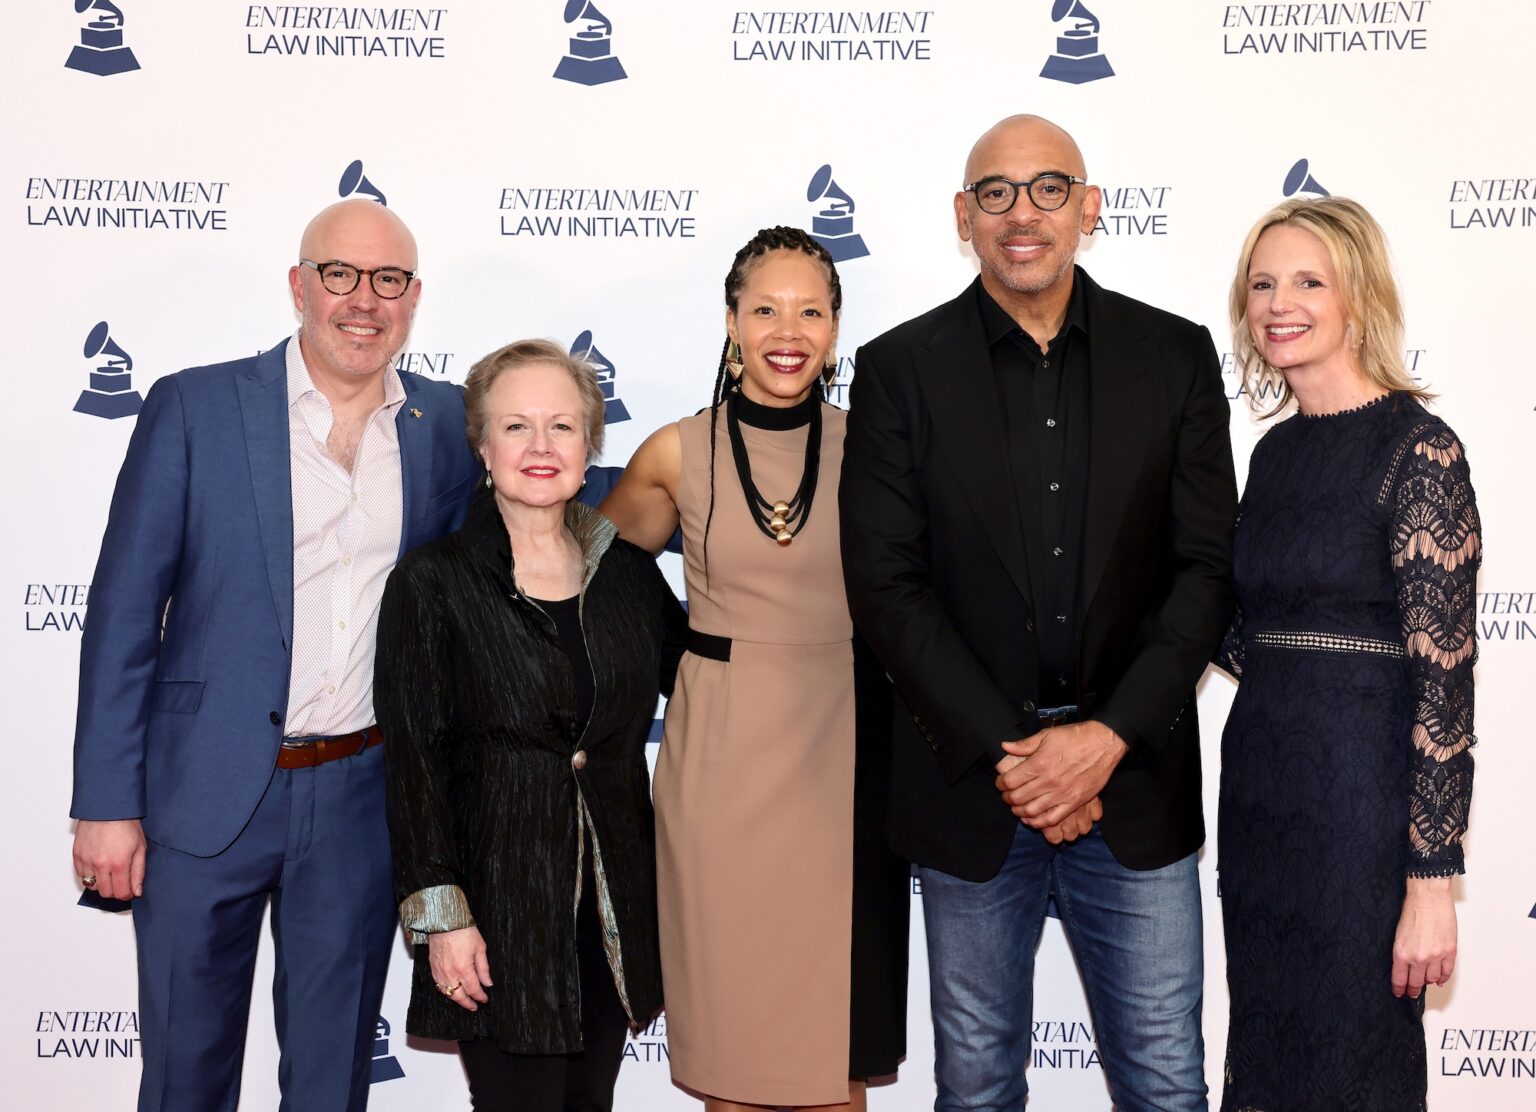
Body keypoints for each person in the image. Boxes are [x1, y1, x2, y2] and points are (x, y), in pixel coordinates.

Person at [840, 114, 1238, 1112]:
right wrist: (1021, 757)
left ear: (1090, 208)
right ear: (964, 217)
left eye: (1050, 187)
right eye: (998, 193)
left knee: (1166, 1081)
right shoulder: (900, 371)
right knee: (975, 1086)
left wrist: (1103, 741)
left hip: (1134, 786)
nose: (1024, 214)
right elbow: (886, 587)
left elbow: (1204, 572)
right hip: (973, 791)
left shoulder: (1176, 356)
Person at [69, 198, 483, 1110]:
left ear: (413, 300)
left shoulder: (449, 425)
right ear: (300, 286)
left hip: (358, 801)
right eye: (340, 274)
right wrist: (105, 802)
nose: (362, 300)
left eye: (387, 281)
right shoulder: (195, 406)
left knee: (332, 1080)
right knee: (186, 1072)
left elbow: (552, 477)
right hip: (199, 795)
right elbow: (125, 612)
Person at [601, 226, 908, 1111]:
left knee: (834, 1062)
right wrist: (693, 660)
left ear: (836, 330)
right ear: (732, 322)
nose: (789, 329)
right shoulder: (675, 450)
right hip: (721, 765)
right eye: (766, 308)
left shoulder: (879, 450)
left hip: (845, 759)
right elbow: (603, 577)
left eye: (811, 310)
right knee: (734, 1050)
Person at [1215, 196, 1480, 1111]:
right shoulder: (1274, 456)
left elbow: (1444, 682)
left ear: (1357, 296)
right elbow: (1254, 638)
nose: (1279, 303)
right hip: (1261, 804)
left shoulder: (1419, 450)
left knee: (1351, 1056)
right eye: (1262, 284)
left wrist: (1433, 880)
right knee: (1270, 1049)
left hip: (1361, 818)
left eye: (1307, 281)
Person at [375, 340, 684, 1112]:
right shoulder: (432, 580)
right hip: (498, 916)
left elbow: (713, 687)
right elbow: (414, 764)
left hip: (612, 916)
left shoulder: (630, 576)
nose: (541, 448)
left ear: (591, 446)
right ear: (482, 447)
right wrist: (443, 921)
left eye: (563, 427)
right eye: (516, 428)